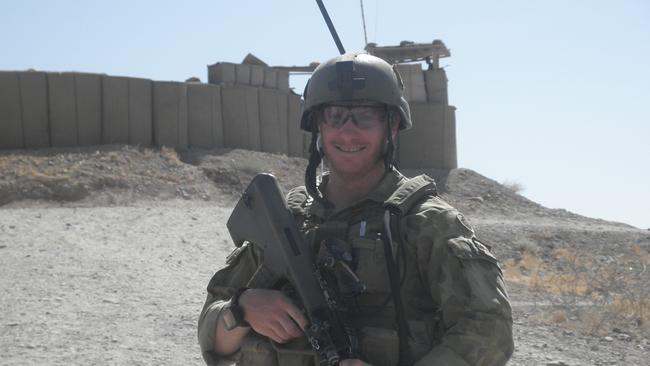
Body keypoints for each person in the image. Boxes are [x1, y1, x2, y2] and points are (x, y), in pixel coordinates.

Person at [198, 53, 514, 366]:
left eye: (364, 116)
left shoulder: (425, 223)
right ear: (317, 127)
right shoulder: (287, 222)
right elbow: (211, 339)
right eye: (334, 116)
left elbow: (489, 335)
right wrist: (241, 310)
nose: (348, 132)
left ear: (391, 127)